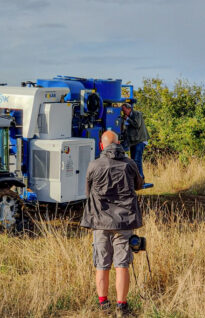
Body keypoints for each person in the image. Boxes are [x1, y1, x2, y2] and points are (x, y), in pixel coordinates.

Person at [81, 130, 143, 317]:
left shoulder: (94, 165)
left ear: (102, 145)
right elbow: (139, 185)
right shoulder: (129, 164)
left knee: (102, 264)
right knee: (122, 264)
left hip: (100, 222)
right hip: (124, 223)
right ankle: (121, 306)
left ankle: (103, 304)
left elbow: (87, 192)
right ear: (118, 143)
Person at [121, 103, 149, 180]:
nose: (123, 112)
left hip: (140, 140)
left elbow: (137, 124)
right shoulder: (127, 117)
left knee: (137, 160)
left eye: (124, 110)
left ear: (129, 108)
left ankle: (141, 178)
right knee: (133, 161)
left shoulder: (137, 114)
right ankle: (135, 178)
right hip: (133, 141)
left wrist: (127, 119)